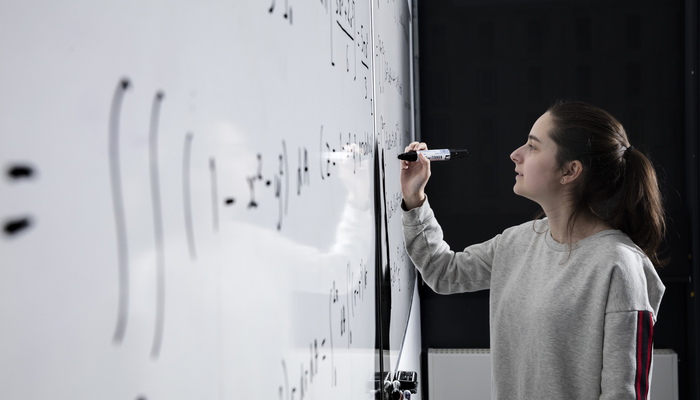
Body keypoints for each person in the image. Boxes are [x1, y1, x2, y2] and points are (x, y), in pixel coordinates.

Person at [400, 100, 666, 399]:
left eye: (533, 146)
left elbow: (623, 392)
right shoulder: (518, 242)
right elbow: (443, 273)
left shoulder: (619, 265)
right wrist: (414, 198)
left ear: (570, 170)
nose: (516, 155)